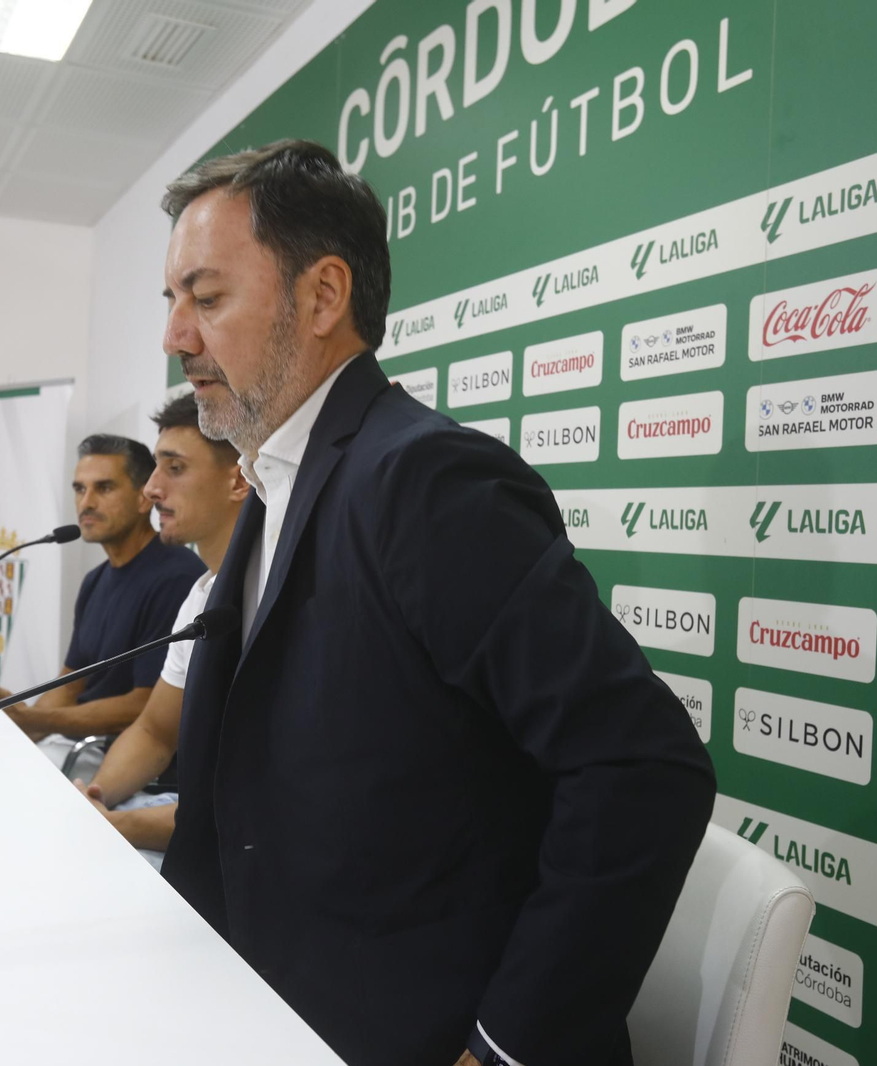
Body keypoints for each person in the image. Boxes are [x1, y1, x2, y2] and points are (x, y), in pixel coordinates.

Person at [157, 140, 717, 1066]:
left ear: (323, 296)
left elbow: (641, 768)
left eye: (206, 298)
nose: (176, 336)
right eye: (172, 301)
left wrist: (500, 1050)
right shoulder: (274, 481)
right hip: (267, 1005)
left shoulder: (424, 481)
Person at [75, 395, 249, 863]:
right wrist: (95, 796)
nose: (151, 489)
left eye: (174, 468)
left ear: (239, 480)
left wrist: (114, 825)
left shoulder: (276, 597)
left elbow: (252, 802)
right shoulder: (200, 594)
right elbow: (155, 731)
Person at [0, 434, 204, 762]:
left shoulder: (177, 577)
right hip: (79, 747)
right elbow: (70, 685)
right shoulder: (94, 581)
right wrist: (17, 733)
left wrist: (39, 721)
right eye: (79, 489)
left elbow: (146, 705)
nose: (86, 503)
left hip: (131, 761)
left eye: (104, 488)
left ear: (144, 498)